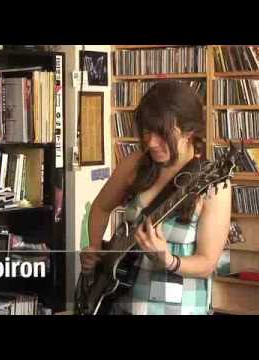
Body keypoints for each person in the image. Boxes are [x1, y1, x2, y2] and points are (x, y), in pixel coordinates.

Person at [80, 81, 232, 315]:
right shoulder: (135, 164)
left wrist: (170, 260)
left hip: (180, 308)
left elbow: (207, 263)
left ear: (189, 131)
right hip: (119, 302)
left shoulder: (213, 184)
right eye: (147, 132)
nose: (151, 142)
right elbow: (101, 207)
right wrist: (95, 247)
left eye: (162, 133)